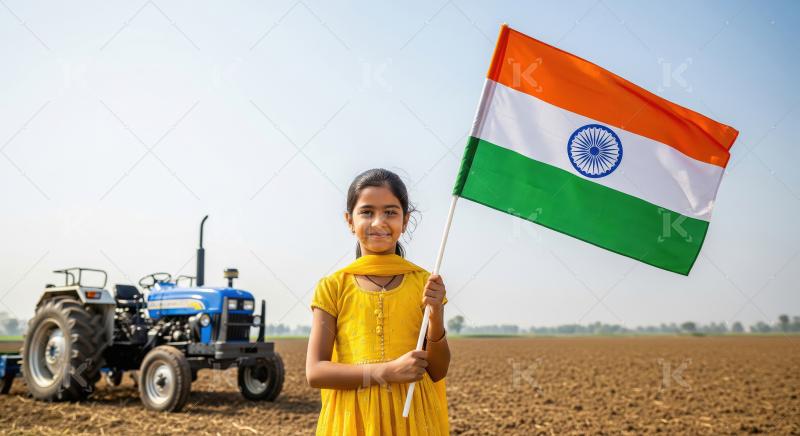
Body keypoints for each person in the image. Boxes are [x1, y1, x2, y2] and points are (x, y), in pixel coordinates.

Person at [305, 168, 450, 435]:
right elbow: (315, 372)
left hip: (414, 419)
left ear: (405, 221)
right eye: (367, 212)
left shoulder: (424, 283)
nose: (379, 222)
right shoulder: (333, 286)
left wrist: (436, 314)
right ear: (350, 220)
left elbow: (438, 370)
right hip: (353, 420)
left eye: (391, 212)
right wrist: (387, 371)